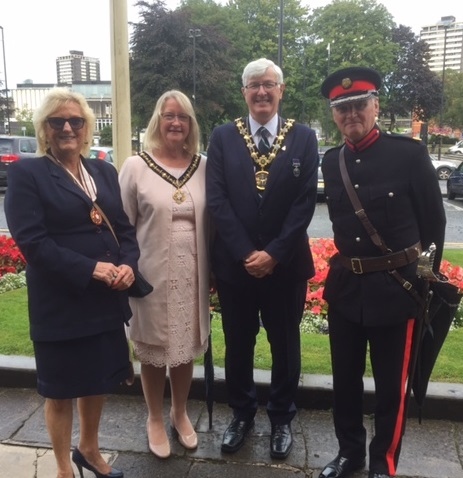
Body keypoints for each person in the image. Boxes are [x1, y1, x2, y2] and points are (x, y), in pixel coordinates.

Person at [4, 88, 140, 478]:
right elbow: (33, 243)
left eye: (75, 121)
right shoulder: (28, 173)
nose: (67, 128)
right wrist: (91, 269)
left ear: (86, 129)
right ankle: (64, 468)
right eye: (57, 121)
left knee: (97, 380)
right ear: (44, 129)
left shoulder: (103, 171)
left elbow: (125, 231)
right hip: (60, 302)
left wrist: (128, 264)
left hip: (103, 300)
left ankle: (90, 450)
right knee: (61, 389)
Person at [318, 67, 446, 478]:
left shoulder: (408, 155)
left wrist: (424, 279)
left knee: (392, 388)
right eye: (342, 108)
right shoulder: (330, 159)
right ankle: (349, 454)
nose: (351, 114)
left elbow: (434, 228)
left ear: (375, 105)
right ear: (333, 115)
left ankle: (382, 464)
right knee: (346, 384)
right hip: (346, 291)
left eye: (358, 105)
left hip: (397, 289)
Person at [206, 58, 319, 459]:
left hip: (285, 266)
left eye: (269, 84)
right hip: (236, 266)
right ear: (244, 92)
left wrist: (273, 253)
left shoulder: (304, 137)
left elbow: (305, 202)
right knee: (238, 342)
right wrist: (246, 252)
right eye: (254, 84)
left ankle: (282, 418)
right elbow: (217, 199)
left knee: (285, 343)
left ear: (281, 90)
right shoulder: (222, 136)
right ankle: (241, 413)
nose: (261, 92)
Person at [118, 90, 210, 459]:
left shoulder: (203, 165)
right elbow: (123, 227)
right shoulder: (136, 166)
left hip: (193, 272)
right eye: (169, 116)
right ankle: (155, 417)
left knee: (185, 348)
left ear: (191, 125)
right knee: (154, 348)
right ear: (158, 120)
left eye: (183, 117)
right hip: (152, 273)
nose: (176, 123)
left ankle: (179, 412)